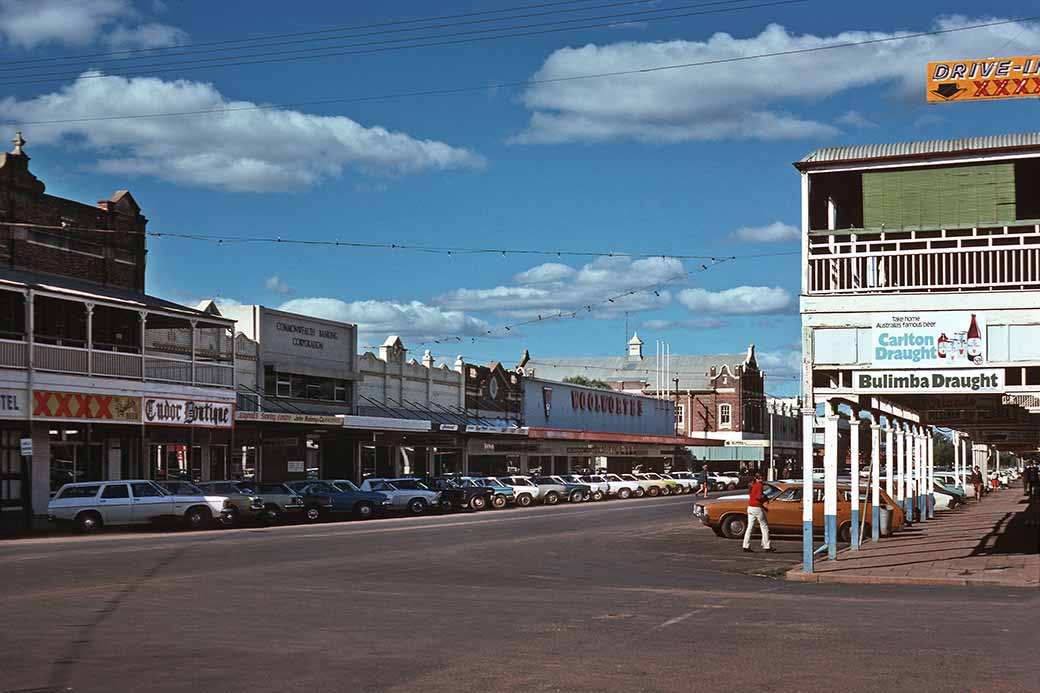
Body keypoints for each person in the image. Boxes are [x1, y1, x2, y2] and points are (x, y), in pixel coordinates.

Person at [743, 472, 774, 553]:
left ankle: (745, 545)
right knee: (764, 527)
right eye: (761, 477)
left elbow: (753, 497)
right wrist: (765, 498)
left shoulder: (752, 485)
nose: (761, 479)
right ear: (758, 478)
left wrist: (763, 507)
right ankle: (766, 545)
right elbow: (758, 497)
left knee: (750, 527)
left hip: (750, 507)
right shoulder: (759, 485)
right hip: (757, 508)